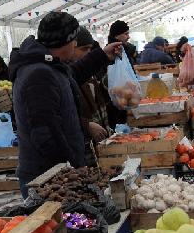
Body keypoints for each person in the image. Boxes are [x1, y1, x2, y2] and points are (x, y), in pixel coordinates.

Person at [9, 11, 121, 198]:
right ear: (67, 41)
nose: (76, 44)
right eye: (75, 40)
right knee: (66, 226)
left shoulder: (49, 67)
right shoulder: (39, 75)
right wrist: (70, 169)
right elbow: (44, 134)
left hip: (58, 176)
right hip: (46, 181)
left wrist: (102, 55)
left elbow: (72, 75)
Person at [72, 27, 112, 166]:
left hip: (97, 139)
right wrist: (86, 125)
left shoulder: (90, 74)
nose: (87, 53)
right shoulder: (64, 76)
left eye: (90, 49)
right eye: (84, 49)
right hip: (82, 144)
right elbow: (61, 114)